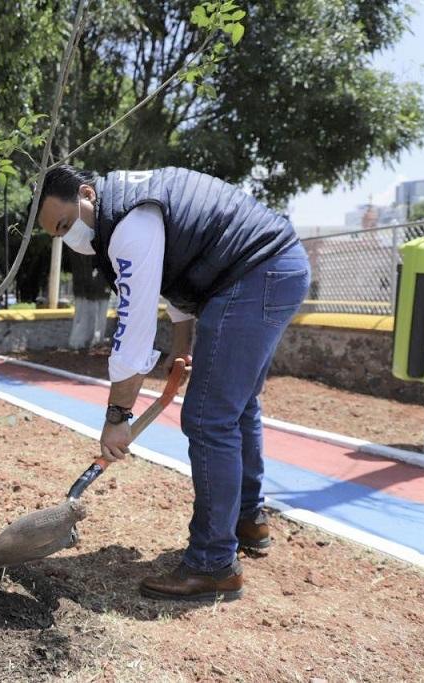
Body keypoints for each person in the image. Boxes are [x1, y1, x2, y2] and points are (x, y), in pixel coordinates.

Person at [36, 165, 310, 602]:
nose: (68, 238)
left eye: (66, 224)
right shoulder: (126, 205)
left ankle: (213, 564)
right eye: (58, 234)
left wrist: (117, 416)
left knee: (208, 418)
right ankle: (246, 520)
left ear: (86, 193)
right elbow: (171, 286)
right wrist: (183, 347)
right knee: (237, 407)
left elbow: (134, 331)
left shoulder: (128, 225)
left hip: (255, 272)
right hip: (272, 267)